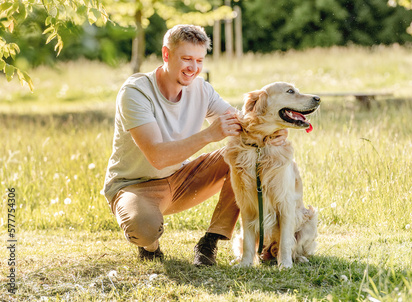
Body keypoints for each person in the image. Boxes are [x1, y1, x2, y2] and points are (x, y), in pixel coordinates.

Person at [101, 24, 286, 266]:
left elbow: (243, 124)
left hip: (182, 178)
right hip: (134, 185)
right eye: (186, 59)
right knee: (145, 228)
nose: (193, 68)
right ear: (166, 54)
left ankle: (210, 240)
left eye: (199, 60)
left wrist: (274, 132)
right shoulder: (136, 92)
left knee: (242, 155)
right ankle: (151, 247)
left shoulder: (201, 89)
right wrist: (209, 134)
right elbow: (157, 157)